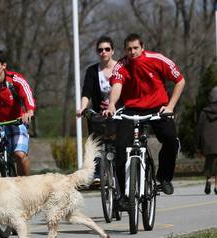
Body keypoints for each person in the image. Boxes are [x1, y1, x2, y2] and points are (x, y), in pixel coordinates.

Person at [103, 33, 185, 207]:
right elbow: (117, 85)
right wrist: (111, 105)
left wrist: (170, 107)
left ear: (142, 47)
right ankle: (124, 195)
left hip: (157, 108)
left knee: (170, 140)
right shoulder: (121, 65)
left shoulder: (158, 59)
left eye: (135, 48)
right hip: (132, 110)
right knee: (120, 148)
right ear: (125, 50)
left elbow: (180, 80)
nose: (132, 52)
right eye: (129, 49)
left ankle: (164, 177)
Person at [77, 36, 119, 183]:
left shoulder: (120, 69)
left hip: (119, 113)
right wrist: (82, 107)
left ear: (112, 51)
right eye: (100, 50)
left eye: (107, 49)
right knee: (96, 143)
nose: (104, 52)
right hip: (99, 115)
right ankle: (97, 172)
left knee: (119, 144)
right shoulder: (92, 71)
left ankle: (122, 174)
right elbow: (86, 93)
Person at [196, 86, 217, 195]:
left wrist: (198, 146)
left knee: (209, 162)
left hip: (208, 142)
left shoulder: (204, 112)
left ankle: (208, 181)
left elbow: (199, 128)